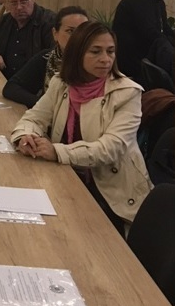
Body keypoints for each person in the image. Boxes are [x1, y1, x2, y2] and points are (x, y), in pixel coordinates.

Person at [11, 21, 152, 232]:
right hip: (67, 177)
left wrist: (57, 151)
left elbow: (110, 148)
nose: (105, 59)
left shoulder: (127, 93)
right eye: (96, 51)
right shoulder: (62, 83)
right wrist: (25, 136)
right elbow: (34, 118)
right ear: (77, 54)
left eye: (110, 51)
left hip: (111, 194)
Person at [2, 6, 89, 108]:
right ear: (55, 34)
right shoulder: (47, 58)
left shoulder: (96, 63)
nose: (78, 36)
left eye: (83, 31)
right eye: (70, 31)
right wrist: (43, 104)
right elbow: (11, 88)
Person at [112, 0, 174, 82]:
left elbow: (165, 29)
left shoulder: (158, 2)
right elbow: (149, 33)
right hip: (132, 61)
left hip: (147, 57)